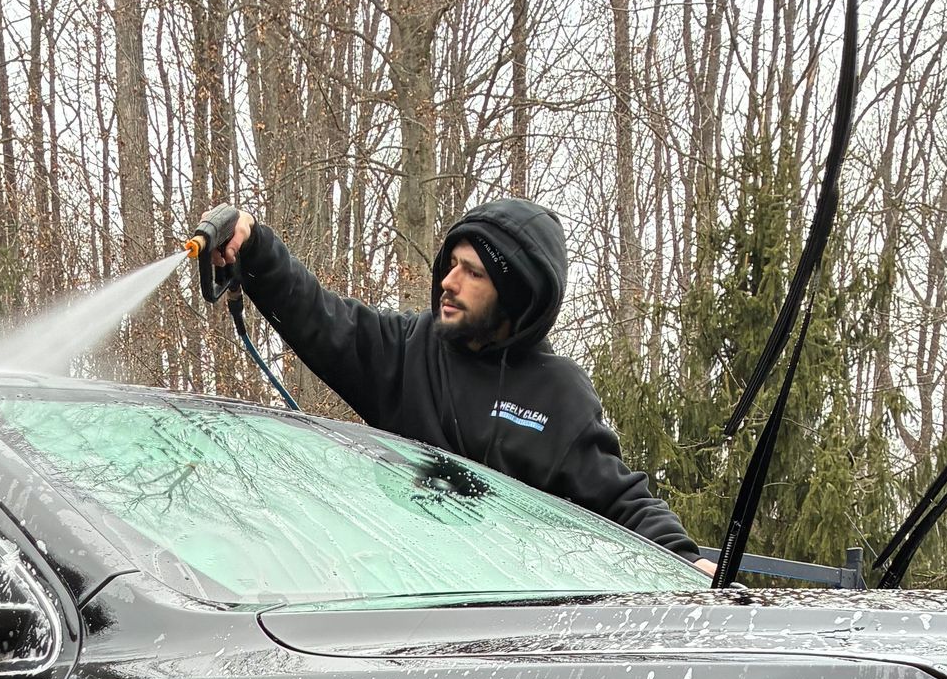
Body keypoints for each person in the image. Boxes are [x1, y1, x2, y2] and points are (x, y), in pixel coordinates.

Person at [198, 196, 702, 563]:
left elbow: (621, 500)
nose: (448, 282)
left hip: (503, 627)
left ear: (517, 296)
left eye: (473, 273)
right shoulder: (408, 348)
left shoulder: (559, 394)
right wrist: (255, 243)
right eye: (452, 264)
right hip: (399, 595)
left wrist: (685, 561)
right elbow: (319, 316)